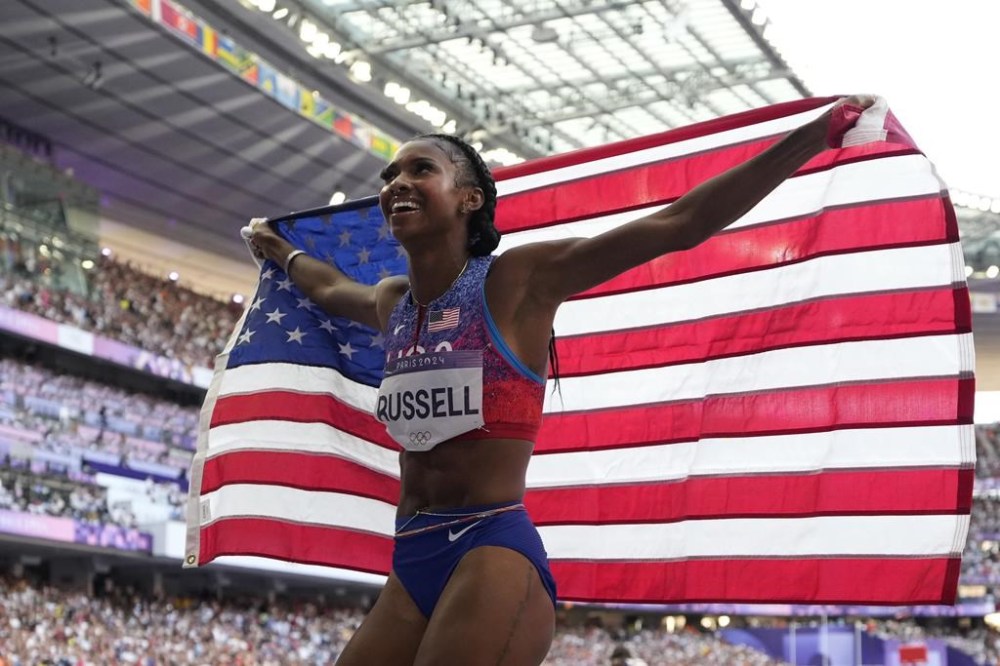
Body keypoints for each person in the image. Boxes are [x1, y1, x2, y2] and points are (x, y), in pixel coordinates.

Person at [249, 95, 875, 665]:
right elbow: (329, 288)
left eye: (419, 170)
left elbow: (677, 226)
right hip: (412, 555)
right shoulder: (394, 303)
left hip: (489, 551)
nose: (396, 184)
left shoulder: (517, 282)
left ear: (470, 199)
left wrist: (812, 137)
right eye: (389, 175)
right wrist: (277, 249)